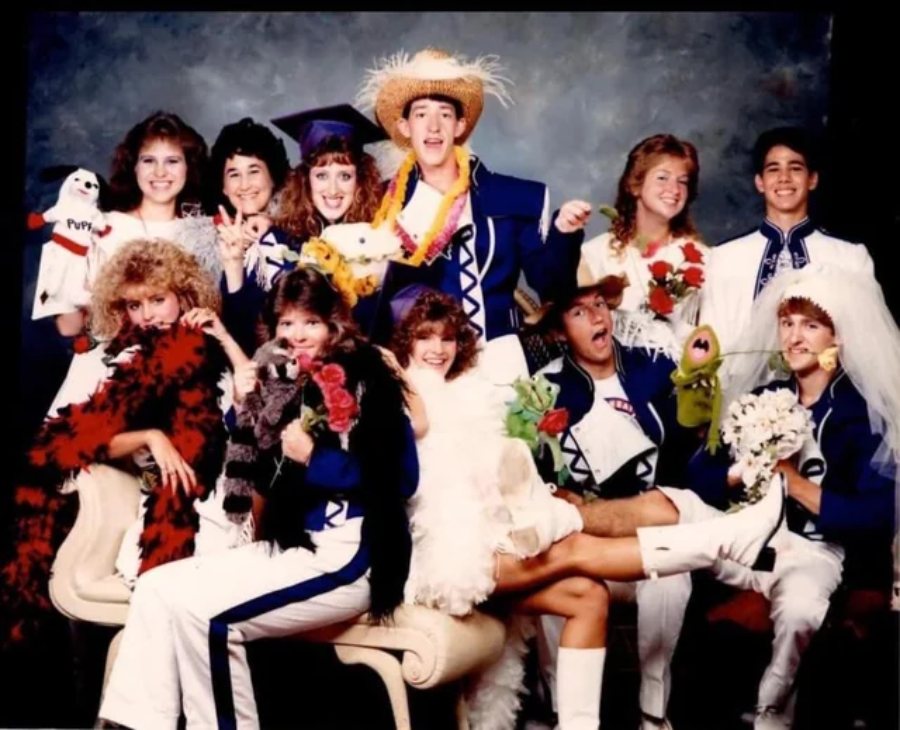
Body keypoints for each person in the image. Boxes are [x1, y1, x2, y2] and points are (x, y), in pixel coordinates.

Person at [388, 285, 787, 730]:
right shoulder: (399, 398)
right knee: (577, 548)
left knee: (588, 595)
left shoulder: (466, 394)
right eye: (423, 338)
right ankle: (725, 541)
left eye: (446, 338)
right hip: (443, 563)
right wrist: (393, 373)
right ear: (402, 344)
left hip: (487, 546)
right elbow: (410, 460)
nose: (438, 349)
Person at [97, 265, 419, 730]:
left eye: (311, 322)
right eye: (287, 323)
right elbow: (251, 470)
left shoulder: (369, 378)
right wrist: (245, 407)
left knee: (208, 618)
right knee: (157, 586)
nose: (299, 334)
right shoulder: (283, 380)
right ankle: (135, 725)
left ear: (334, 324)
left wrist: (316, 459)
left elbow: (402, 479)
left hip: (352, 554)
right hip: (296, 545)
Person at [0, 238, 250, 648]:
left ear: (184, 296)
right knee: (160, 581)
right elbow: (62, 443)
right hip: (158, 509)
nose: (148, 315)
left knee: (198, 586)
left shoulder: (213, 353)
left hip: (223, 503)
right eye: (135, 305)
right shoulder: (117, 361)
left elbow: (255, 401)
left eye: (157, 300)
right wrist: (151, 437)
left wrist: (222, 336)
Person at [526, 271, 706, 730]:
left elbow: (688, 452)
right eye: (578, 311)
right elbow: (537, 480)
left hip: (650, 530)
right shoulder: (543, 389)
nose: (595, 318)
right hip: (588, 540)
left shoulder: (654, 367)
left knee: (672, 572)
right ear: (559, 330)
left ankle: (653, 708)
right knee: (553, 568)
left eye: (600, 306)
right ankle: (562, 707)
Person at [356, 47, 593, 386]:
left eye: (445, 114)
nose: (434, 126)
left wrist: (563, 233)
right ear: (405, 126)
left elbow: (551, 286)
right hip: (424, 370)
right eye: (421, 114)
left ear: (461, 124)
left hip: (500, 365)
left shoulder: (513, 197)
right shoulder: (382, 204)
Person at [220, 104, 389, 355]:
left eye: (344, 176)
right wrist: (234, 265)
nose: (333, 190)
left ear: (360, 180)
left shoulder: (381, 242)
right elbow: (247, 335)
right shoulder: (275, 244)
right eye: (321, 175)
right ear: (305, 180)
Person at [700, 126, 875, 354]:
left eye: (795, 168)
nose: (784, 178)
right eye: (773, 169)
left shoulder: (849, 257)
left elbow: (865, 343)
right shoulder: (725, 257)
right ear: (760, 182)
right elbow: (710, 342)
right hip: (738, 386)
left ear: (812, 180)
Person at [578, 134, 709, 359]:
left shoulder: (702, 259)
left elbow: (709, 338)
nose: (674, 189)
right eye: (662, 178)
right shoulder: (594, 254)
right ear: (635, 185)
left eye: (683, 181)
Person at [207, 116, 291, 293]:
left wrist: (271, 223)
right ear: (223, 186)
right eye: (234, 174)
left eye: (254, 171)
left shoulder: (297, 232)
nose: (245, 185)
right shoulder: (205, 244)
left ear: (273, 177)